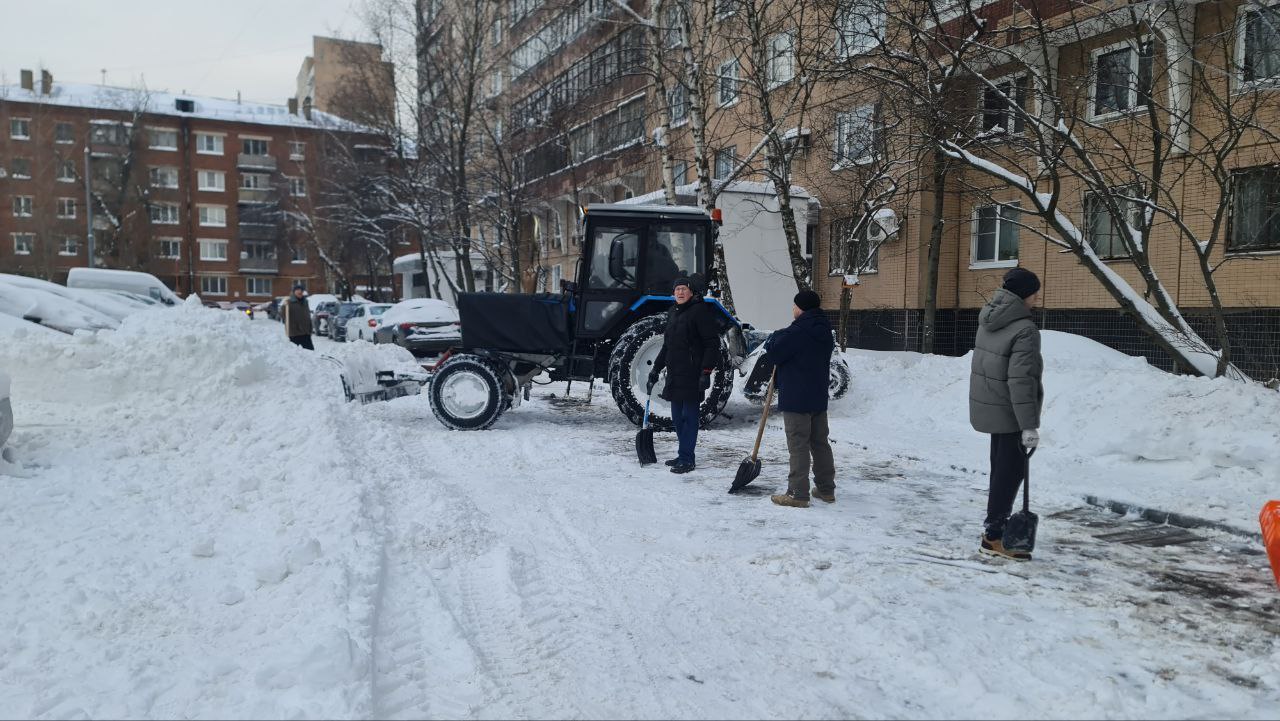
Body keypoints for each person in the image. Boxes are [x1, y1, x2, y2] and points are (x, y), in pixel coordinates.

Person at [969, 267, 1044, 560]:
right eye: (1034, 291)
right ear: (1024, 294)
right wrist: (1028, 425)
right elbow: (1021, 380)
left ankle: (994, 528)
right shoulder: (1024, 328)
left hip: (992, 406)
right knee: (1009, 475)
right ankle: (995, 535)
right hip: (1011, 413)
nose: (1038, 297)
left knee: (1001, 472)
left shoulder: (990, 317)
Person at [765, 290, 837, 509]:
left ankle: (798, 493)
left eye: (795, 305)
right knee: (820, 443)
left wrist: (773, 339)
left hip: (796, 397)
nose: (793, 309)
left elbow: (774, 353)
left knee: (798, 445)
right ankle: (826, 489)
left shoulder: (797, 332)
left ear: (801, 307)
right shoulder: (825, 330)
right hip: (817, 396)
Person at [647, 277, 720, 474]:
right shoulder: (673, 312)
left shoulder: (699, 312)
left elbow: (712, 344)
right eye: (676, 289)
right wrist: (655, 369)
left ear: (691, 292)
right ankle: (683, 454)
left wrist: (706, 371)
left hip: (692, 373)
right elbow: (667, 345)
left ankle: (687, 458)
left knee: (689, 417)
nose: (679, 293)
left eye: (683, 289)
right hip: (674, 373)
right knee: (677, 418)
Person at [283, 284, 315, 350]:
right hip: (295, 333)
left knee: (310, 352)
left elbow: (307, 316)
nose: (300, 292)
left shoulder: (305, 302)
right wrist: (284, 307)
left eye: (301, 290)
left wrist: (310, 328)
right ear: (294, 292)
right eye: (297, 290)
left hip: (306, 332)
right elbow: (283, 316)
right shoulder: (289, 303)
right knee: (295, 355)